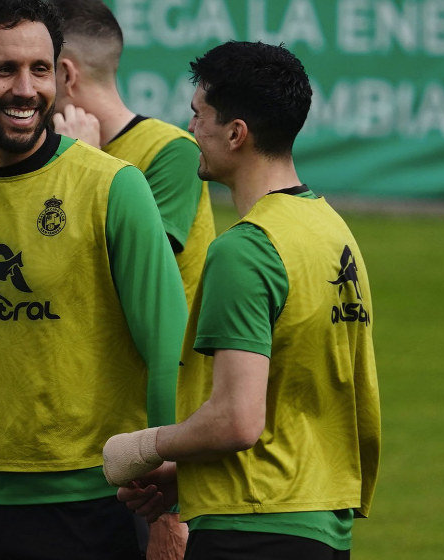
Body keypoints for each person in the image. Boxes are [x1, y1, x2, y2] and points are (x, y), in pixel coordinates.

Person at [0, 1, 187, 559]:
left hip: (102, 505)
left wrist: (170, 507)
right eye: (4, 70)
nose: (26, 89)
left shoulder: (115, 187)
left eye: (40, 69)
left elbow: (166, 352)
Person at [102, 41, 381, 560]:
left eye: (198, 115)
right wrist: (188, 472)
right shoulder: (332, 231)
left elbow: (236, 418)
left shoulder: (245, 249)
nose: (191, 131)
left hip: (252, 530)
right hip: (320, 523)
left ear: (236, 133)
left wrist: (144, 446)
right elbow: (295, 396)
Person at [50, 0, 215, 314]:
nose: (28, 86)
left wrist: (87, 163)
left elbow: (142, 272)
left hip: (166, 363)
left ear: (66, 74)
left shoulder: (173, 151)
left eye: (39, 68)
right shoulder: (55, 146)